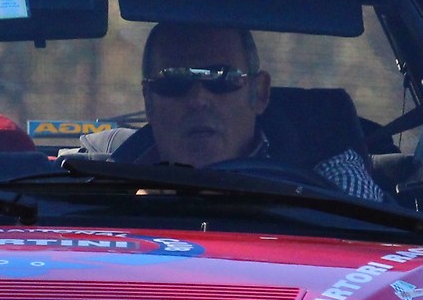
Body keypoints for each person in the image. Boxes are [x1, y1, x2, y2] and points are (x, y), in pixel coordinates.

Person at [75, 22, 388, 203]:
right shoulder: (105, 186)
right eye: (176, 81)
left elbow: (376, 240)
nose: (199, 99)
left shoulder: (326, 171)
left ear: (260, 93)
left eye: (221, 78)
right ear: (149, 100)